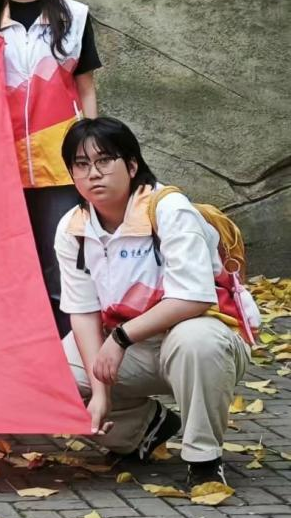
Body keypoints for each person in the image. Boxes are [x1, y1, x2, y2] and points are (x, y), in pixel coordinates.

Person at [55, 118, 255, 486]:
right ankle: (145, 428)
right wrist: (100, 392)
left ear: (132, 166)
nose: (93, 173)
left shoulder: (168, 209)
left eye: (104, 161)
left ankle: (204, 459)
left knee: (196, 341)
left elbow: (193, 299)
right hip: (134, 346)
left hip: (203, 334)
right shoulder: (73, 227)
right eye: (81, 164)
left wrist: (119, 339)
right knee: (51, 377)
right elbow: (82, 312)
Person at [0, 0, 101, 336]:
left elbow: (85, 87)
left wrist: (92, 152)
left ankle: (70, 352)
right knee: (13, 259)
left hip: (61, 161)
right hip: (1, 163)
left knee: (63, 257)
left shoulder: (73, 16)